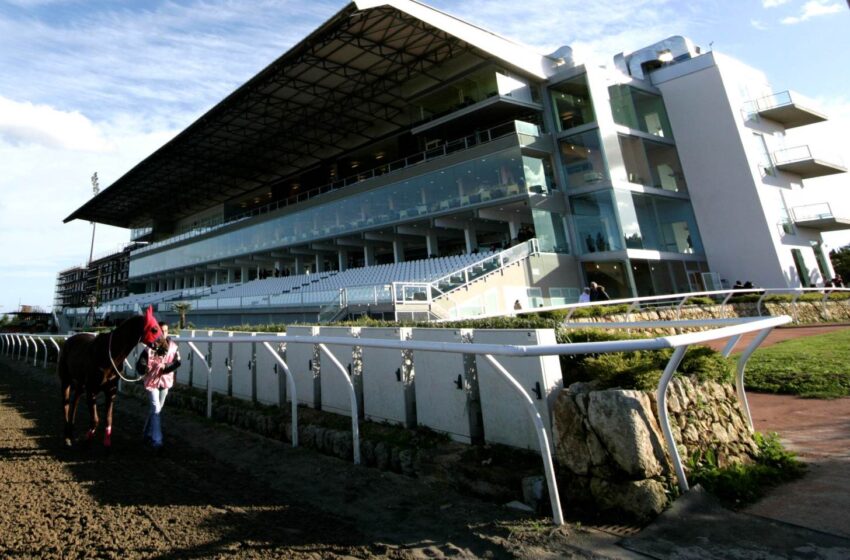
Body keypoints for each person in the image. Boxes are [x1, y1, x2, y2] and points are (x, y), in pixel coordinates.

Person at [136, 322, 181, 451]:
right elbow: (140, 364)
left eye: (166, 331)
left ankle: (146, 434)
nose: (164, 333)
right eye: (162, 331)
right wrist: (145, 367)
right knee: (156, 409)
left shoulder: (174, 347)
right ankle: (157, 440)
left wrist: (165, 367)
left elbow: (178, 362)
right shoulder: (149, 348)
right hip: (152, 383)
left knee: (156, 410)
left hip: (165, 382)